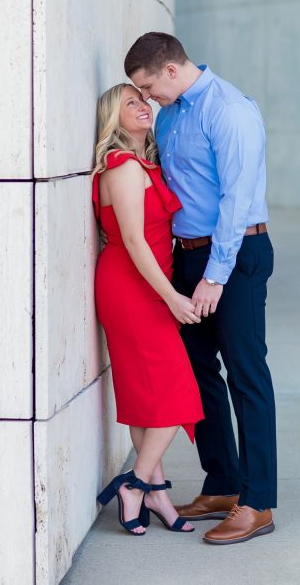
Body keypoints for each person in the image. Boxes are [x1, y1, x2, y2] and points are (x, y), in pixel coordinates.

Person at [125, 31, 276, 545]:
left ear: (170, 70)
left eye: (150, 87)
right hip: (188, 259)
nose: (149, 99)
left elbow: (237, 199)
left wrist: (216, 274)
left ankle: (257, 503)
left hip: (232, 257)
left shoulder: (229, 109)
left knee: (245, 374)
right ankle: (223, 482)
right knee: (196, 372)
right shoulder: (170, 114)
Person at [92, 83, 204, 536]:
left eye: (143, 100)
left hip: (145, 283)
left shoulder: (145, 164)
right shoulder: (121, 167)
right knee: (179, 393)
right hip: (133, 288)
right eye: (129, 104)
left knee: (146, 400)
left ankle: (155, 491)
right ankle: (135, 484)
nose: (142, 107)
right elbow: (135, 241)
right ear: (112, 120)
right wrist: (173, 296)